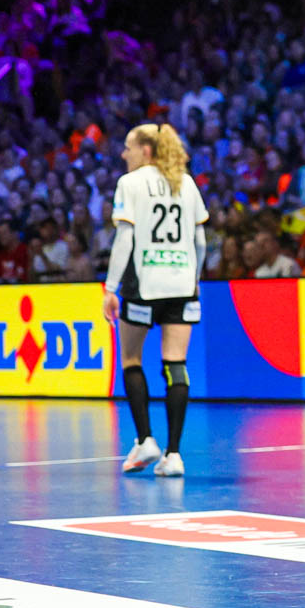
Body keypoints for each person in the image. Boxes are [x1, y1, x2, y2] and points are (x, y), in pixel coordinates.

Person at [103, 124, 209, 478]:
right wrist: (192, 278)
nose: (124, 154)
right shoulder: (186, 182)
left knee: (131, 358)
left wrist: (110, 287)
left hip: (145, 282)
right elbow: (201, 242)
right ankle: (174, 454)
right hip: (182, 283)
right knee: (176, 364)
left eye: (128, 147)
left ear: (146, 150)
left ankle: (145, 439)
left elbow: (125, 239)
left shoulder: (130, 184)